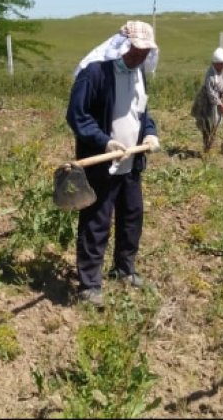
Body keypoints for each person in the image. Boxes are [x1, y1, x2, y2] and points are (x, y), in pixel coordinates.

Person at [66, 20, 161, 308]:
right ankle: (89, 284)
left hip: (131, 161)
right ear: (122, 45)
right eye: (135, 51)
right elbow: (77, 115)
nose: (139, 57)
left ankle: (124, 269)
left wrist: (150, 132)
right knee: (96, 221)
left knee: (132, 217)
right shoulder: (95, 72)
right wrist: (104, 141)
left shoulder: (139, 73)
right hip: (102, 163)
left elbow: (141, 111)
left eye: (145, 53)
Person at [190, 47, 223, 154]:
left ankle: (211, 144)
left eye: (222, 63)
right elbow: (211, 94)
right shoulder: (210, 76)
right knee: (206, 123)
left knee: (217, 123)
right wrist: (221, 105)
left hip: (221, 95)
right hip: (208, 100)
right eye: (217, 64)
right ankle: (206, 146)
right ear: (213, 63)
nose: (220, 66)